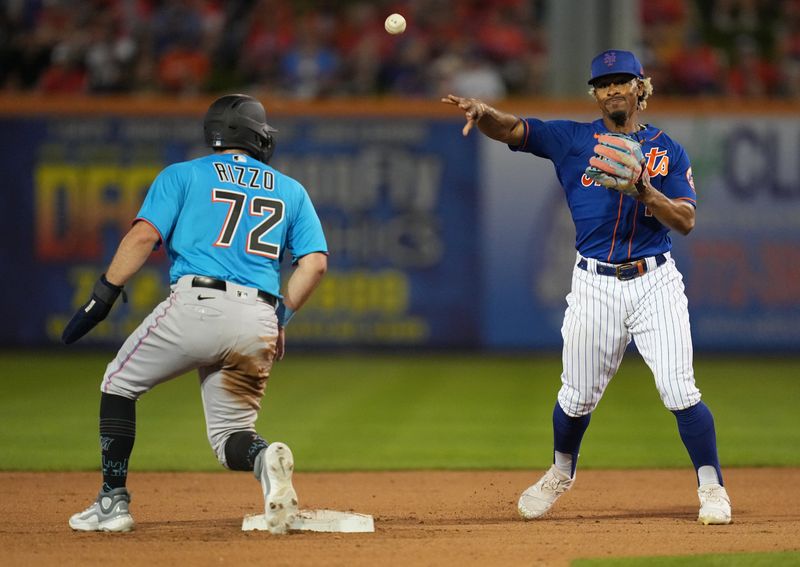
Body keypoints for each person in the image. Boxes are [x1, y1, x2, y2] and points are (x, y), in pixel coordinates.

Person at [443, 49, 732, 525]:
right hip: (594, 283)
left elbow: (686, 220)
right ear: (594, 93)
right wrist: (484, 113)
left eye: (622, 80)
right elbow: (513, 128)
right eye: (604, 83)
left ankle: (712, 485)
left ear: (641, 87)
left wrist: (644, 189)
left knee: (680, 391)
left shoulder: (668, 150)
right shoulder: (573, 139)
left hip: (654, 280)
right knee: (576, 398)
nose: (613, 89)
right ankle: (560, 472)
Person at [62, 94, 328, 534]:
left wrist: (104, 295)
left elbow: (144, 237)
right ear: (257, 137)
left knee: (118, 383)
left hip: (198, 304)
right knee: (230, 439)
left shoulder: (182, 174)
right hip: (259, 316)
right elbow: (314, 263)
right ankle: (265, 458)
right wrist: (280, 319)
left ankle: (112, 502)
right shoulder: (290, 188)